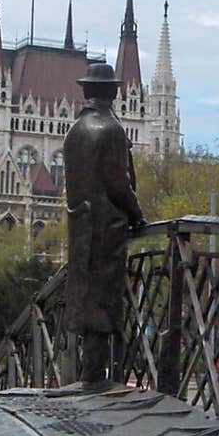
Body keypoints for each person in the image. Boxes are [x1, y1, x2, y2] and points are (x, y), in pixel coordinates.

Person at [63, 62, 146, 385]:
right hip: (107, 228)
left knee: (86, 298)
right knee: (102, 303)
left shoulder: (76, 130)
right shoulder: (109, 130)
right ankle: (95, 379)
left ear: (86, 91)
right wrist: (136, 214)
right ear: (112, 92)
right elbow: (118, 184)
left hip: (81, 226)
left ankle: (89, 375)